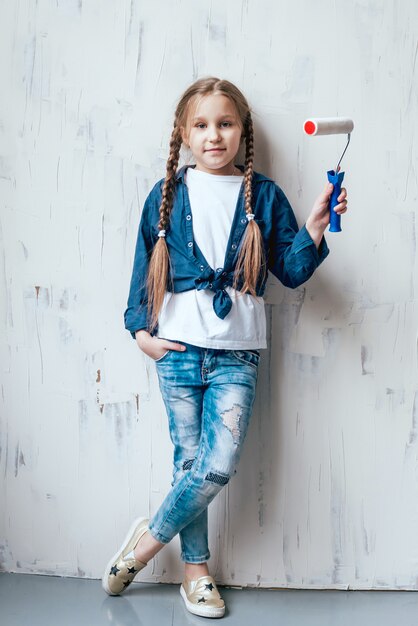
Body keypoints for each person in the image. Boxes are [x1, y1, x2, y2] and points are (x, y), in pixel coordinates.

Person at [102, 76, 348, 618]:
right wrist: (141, 333)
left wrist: (314, 227)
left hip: (237, 352)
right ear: (185, 135)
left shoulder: (262, 194)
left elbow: (290, 269)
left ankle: (144, 545)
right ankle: (196, 574)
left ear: (242, 131)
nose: (215, 135)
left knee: (218, 462)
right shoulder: (167, 194)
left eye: (226, 123)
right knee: (188, 461)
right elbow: (144, 268)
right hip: (177, 351)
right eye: (202, 125)